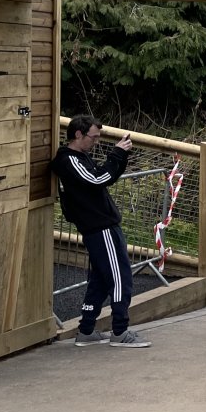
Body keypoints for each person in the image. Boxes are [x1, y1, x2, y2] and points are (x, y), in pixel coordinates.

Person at [51, 115, 151, 348]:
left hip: (100, 226)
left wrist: (121, 155)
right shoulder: (70, 159)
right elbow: (97, 179)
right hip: (99, 227)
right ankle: (120, 331)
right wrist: (116, 154)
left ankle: (86, 330)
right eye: (93, 137)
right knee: (120, 278)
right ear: (78, 135)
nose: (95, 142)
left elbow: (107, 177)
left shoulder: (81, 156)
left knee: (100, 280)